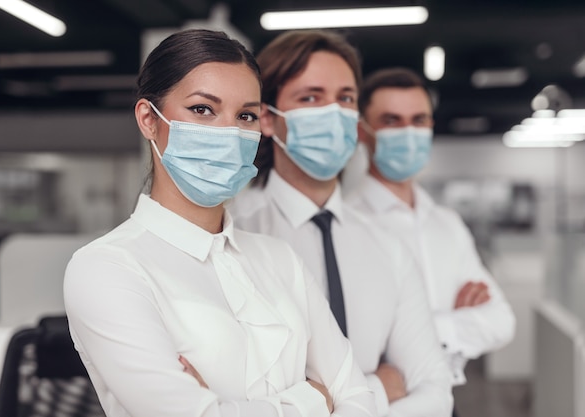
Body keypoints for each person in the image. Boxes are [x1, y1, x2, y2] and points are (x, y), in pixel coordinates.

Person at [63, 29, 378, 417]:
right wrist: (312, 400)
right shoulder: (106, 268)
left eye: (245, 115)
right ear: (148, 119)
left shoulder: (280, 259)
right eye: (202, 109)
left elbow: (358, 397)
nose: (229, 132)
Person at [228, 30, 453, 417]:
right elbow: (237, 402)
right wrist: (378, 391)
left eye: (345, 98)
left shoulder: (388, 244)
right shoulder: (236, 238)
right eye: (311, 97)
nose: (333, 113)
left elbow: (434, 392)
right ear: (267, 117)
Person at [346, 67, 516, 392]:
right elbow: (356, 342)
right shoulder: (346, 223)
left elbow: (501, 322)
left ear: (431, 127)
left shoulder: (447, 223)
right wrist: (457, 323)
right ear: (362, 131)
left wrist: (412, 331)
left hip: (445, 402)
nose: (408, 132)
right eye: (392, 121)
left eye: (419, 120)